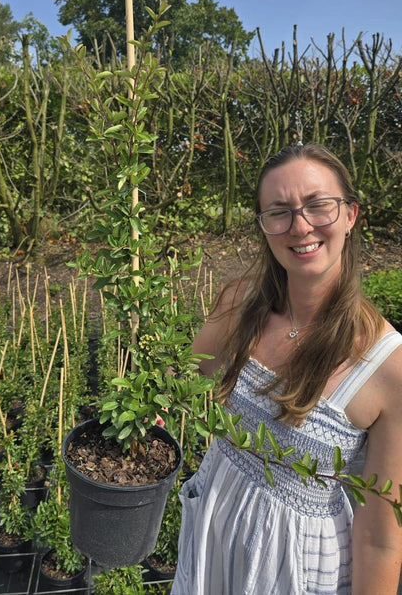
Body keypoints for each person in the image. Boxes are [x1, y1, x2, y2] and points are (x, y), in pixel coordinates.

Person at [171, 143, 402, 595]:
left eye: (318, 205)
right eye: (279, 212)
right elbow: (178, 384)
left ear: (350, 215)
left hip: (295, 567)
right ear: (264, 226)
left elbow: (379, 538)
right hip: (213, 530)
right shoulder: (240, 303)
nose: (300, 226)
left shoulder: (387, 367)